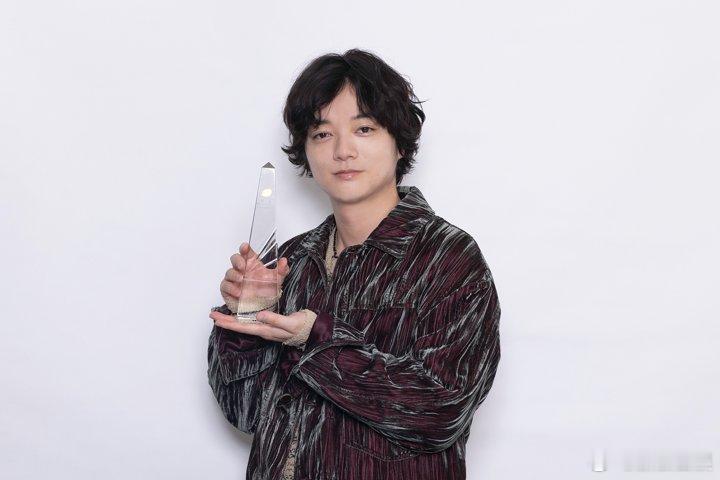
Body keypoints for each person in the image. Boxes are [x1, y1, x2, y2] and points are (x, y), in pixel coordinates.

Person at [207, 48, 501, 480]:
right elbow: (246, 412)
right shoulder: (290, 262)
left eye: (364, 129)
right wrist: (247, 317)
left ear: (399, 142)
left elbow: (441, 413)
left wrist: (316, 339)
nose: (343, 150)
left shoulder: (449, 259)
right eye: (322, 134)